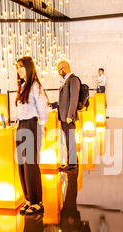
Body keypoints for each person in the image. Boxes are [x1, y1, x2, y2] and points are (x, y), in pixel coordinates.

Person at [15, 56, 49, 216]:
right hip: (21, 125)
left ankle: (37, 201)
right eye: (17, 68)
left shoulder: (36, 86)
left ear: (28, 68)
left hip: (31, 125)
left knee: (31, 165)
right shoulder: (23, 86)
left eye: (21, 67)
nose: (19, 70)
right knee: (21, 164)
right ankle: (28, 198)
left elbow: (43, 110)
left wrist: (40, 126)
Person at [52, 61, 80, 173]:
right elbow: (64, 101)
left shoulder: (73, 80)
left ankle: (72, 165)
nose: (59, 72)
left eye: (60, 69)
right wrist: (53, 104)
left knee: (70, 140)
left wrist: (70, 115)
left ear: (65, 68)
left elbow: (74, 99)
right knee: (69, 140)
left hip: (68, 117)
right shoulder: (66, 81)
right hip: (63, 116)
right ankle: (72, 162)